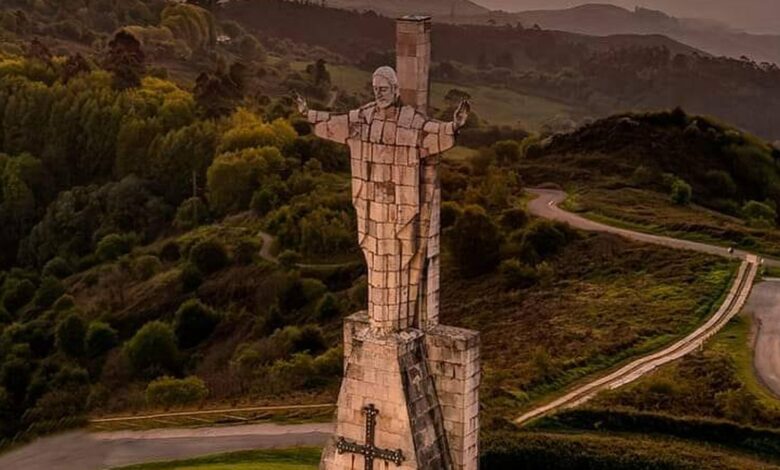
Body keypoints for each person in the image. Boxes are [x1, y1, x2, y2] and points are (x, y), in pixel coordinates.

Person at [295, 66, 469, 332]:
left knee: (399, 260)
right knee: (376, 262)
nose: (379, 94)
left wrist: (453, 125)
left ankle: (393, 325)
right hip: (371, 205)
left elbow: (430, 132)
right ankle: (380, 324)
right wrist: (308, 113)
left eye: (384, 89)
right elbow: (337, 122)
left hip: (399, 208)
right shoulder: (364, 117)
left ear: (396, 90)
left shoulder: (409, 120)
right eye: (376, 89)